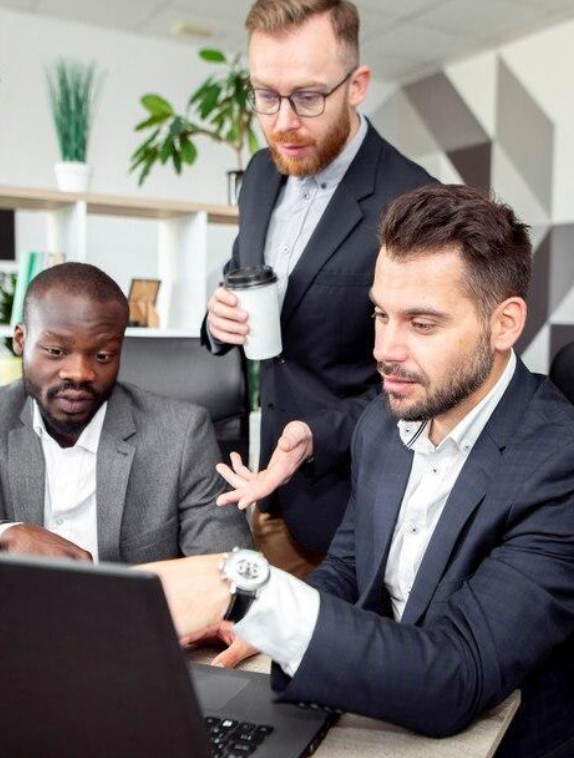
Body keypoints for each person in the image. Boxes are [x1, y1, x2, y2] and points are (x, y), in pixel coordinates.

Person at [145, 185, 574, 757]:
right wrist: (260, 630)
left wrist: (252, 596)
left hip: (504, 741)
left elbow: (459, 676)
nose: (385, 349)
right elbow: (348, 572)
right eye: (380, 314)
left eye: (421, 324)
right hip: (389, 709)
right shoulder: (385, 420)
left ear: (504, 325)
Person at [203, 0, 435, 572]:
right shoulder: (260, 173)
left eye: (307, 97)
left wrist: (317, 436)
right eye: (265, 95)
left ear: (357, 86)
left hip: (349, 511)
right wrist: (216, 321)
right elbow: (242, 271)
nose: (282, 122)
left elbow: (429, 385)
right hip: (258, 488)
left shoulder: (415, 203)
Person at [0, 263, 252, 563]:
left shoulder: (181, 433)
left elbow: (233, 569)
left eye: (103, 355)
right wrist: (7, 537)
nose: (80, 373)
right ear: (21, 341)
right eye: (56, 352)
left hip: (133, 634)